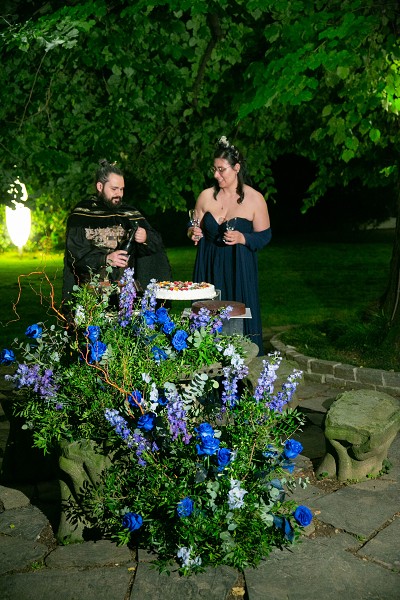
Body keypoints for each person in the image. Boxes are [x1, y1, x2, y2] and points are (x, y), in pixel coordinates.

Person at [188, 136, 271, 355]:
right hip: (208, 265)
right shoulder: (206, 196)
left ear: (236, 168)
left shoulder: (255, 199)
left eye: (221, 170)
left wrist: (243, 238)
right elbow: (193, 225)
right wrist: (193, 232)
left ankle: (243, 368)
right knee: (206, 322)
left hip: (238, 268)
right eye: (214, 169)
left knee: (238, 324)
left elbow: (265, 236)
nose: (216, 175)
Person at [62, 159, 171, 304]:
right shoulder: (82, 215)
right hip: (92, 293)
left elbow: (155, 244)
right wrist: (106, 259)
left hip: (126, 294)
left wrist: (146, 237)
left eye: (122, 189)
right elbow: (75, 256)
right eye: (114, 189)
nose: (119, 194)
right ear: (100, 186)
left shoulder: (129, 213)